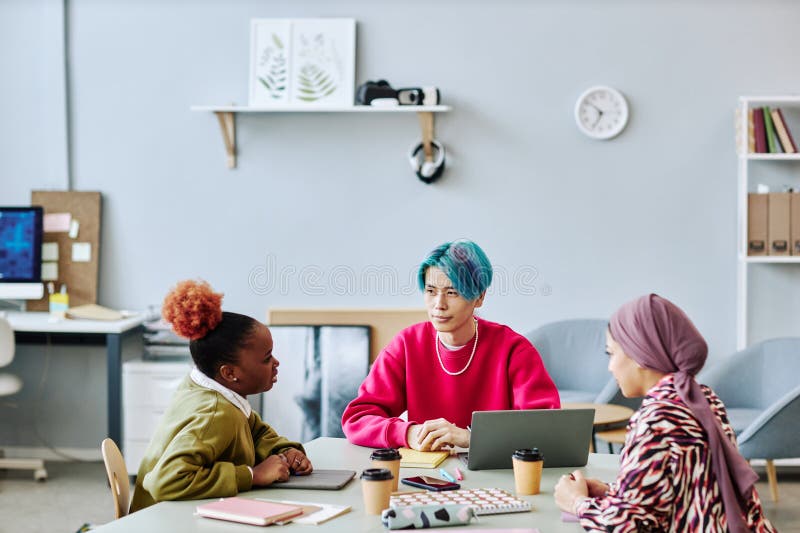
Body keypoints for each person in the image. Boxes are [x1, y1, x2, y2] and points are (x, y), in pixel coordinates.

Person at [554, 294, 776, 532]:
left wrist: (576, 502)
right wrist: (613, 492)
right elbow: (687, 494)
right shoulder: (703, 399)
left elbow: (625, 527)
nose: (610, 367)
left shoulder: (656, 418)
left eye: (611, 353)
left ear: (639, 354)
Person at [341, 239, 560, 451]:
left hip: (497, 476)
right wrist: (408, 433)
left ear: (479, 297)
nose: (439, 305)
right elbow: (357, 419)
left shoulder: (514, 350)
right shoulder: (406, 345)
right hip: (427, 478)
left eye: (452, 292)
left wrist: (471, 437)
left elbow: (546, 430)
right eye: (430, 291)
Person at [130, 280, 313, 512]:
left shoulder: (211, 390)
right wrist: (252, 475)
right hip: (165, 521)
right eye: (266, 358)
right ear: (229, 373)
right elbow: (164, 481)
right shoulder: (216, 413)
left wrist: (284, 451)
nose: (276, 363)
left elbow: (255, 431)